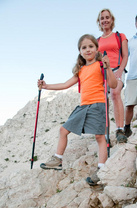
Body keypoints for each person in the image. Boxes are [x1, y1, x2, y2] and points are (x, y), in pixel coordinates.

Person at [38, 34, 117, 186]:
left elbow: (113, 85)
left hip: (98, 104)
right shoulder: (81, 70)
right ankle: (57, 159)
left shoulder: (101, 65)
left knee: (100, 137)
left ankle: (101, 170)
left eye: (91, 46)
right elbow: (65, 84)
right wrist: (46, 86)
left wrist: (108, 67)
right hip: (83, 106)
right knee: (63, 130)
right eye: (84, 47)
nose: (88, 50)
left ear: (96, 48)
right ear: (80, 51)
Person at [96, 8, 128, 143]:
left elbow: (125, 56)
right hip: (101, 73)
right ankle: (104, 133)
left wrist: (120, 70)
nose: (105, 20)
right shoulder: (96, 40)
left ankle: (120, 129)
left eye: (107, 17)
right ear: (99, 21)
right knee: (103, 101)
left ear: (112, 20)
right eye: (102, 18)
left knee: (115, 94)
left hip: (116, 70)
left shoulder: (120, 36)